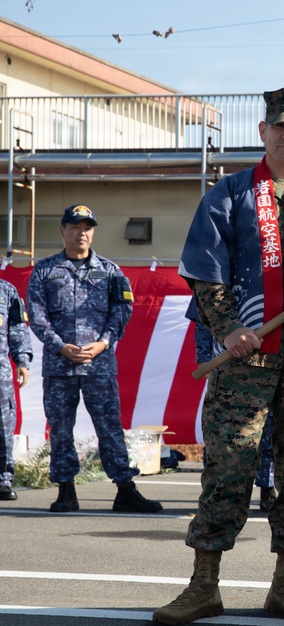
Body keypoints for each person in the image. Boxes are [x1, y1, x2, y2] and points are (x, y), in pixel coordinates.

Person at [154, 88, 284, 625]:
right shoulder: (228, 196)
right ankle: (204, 584)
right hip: (245, 360)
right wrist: (227, 329)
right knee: (228, 466)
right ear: (262, 131)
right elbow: (205, 272)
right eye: (280, 127)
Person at [27, 204, 162, 514]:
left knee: (109, 427)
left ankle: (125, 490)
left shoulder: (111, 271)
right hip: (60, 366)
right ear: (63, 230)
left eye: (87, 227)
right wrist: (60, 345)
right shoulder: (45, 271)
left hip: (98, 365)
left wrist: (104, 343)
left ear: (93, 232)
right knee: (60, 429)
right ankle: (66, 491)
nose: (81, 233)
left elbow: (122, 311)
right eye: (75, 227)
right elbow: (36, 315)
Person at [193, 319, 277, 512]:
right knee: (223, 435)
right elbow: (203, 315)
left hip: (269, 359)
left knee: (269, 432)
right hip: (228, 361)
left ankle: (267, 487)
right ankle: (217, 497)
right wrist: (205, 356)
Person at [0, 280, 32, 502]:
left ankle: (2, 481)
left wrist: (22, 360)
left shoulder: (6, 290)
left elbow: (18, 327)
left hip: (0, 374)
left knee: (3, 426)